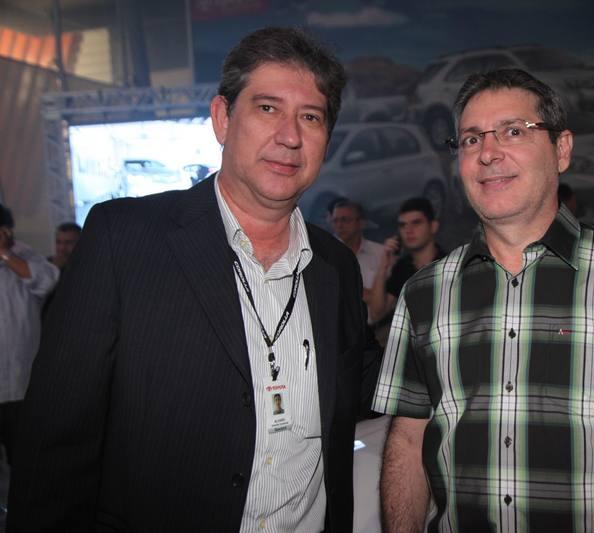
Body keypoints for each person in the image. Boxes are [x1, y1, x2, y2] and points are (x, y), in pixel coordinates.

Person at [9, 27, 379, 532]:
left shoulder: (334, 265)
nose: (290, 136)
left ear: (326, 140)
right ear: (223, 118)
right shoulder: (126, 240)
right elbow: (55, 440)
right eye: (267, 108)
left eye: (310, 117)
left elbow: (362, 383)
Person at [372, 69, 594, 532]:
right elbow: (407, 443)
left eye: (512, 131)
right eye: (470, 139)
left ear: (561, 149)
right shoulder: (423, 293)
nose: (488, 153)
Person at [0, 204, 59, 466]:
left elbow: (48, 280)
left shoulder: (24, 255)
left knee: (24, 461)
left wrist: (4, 253)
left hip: (21, 386)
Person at [366, 197, 445, 325]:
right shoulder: (402, 267)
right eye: (403, 225)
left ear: (433, 226)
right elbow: (376, 314)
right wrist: (383, 268)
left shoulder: (451, 265)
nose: (408, 230)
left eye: (416, 223)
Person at [329, 198, 383, 297]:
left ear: (361, 223)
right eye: (335, 221)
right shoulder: (327, 254)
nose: (339, 225)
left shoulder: (380, 253)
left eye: (345, 220)